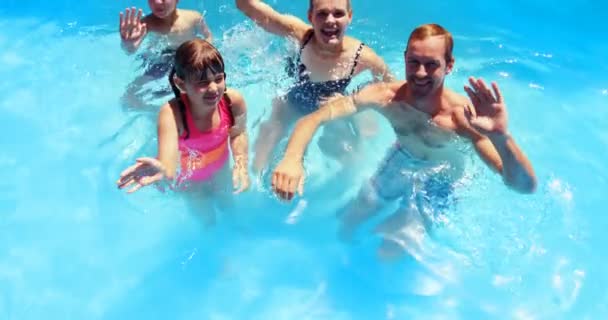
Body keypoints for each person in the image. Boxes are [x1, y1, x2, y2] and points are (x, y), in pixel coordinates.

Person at [271, 23, 537, 257]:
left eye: (432, 64)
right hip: (401, 159)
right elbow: (313, 119)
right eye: (414, 62)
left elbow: (523, 186)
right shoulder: (384, 97)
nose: (420, 73)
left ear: (449, 65)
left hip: (441, 180)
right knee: (348, 223)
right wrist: (292, 159)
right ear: (405, 59)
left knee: (392, 251)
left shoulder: (461, 117)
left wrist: (502, 137)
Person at [235, 0, 394, 173]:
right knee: (260, 162)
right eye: (322, 13)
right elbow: (251, 9)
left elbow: (391, 90)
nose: (330, 20)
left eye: (338, 14)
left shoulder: (362, 57)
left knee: (354, 160)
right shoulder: (300, 35)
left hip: (329, 110)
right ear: (310, 17)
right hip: (291, 104)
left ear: (350, 17)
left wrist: (352, 103)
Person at [117, 39, 249, 224]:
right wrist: (163, 171)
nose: (213, 88)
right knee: (207, 221)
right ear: (181, 84)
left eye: (218, 79)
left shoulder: (232, 101)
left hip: (220, 169)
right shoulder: (172, 114)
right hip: (192, 181)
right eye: (202, 83)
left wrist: (241, 164)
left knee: (229, 208)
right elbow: (169, 162)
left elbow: (238, 133)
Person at [119, 1, 213, 108]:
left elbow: (208, 36)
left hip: (187, 56)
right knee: (129, 94)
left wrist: (204, 53)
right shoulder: (146, 24)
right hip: (161, 60)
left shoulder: (193, 17)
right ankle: (150, 111)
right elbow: (130, 51)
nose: (158, 2)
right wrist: (127, 43)